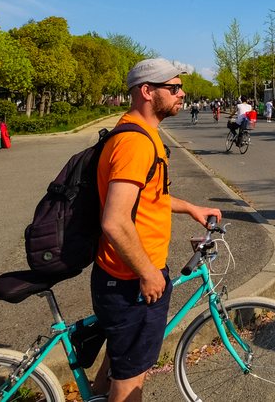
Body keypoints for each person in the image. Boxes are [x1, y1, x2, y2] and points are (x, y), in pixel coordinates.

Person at [91, 58, 222, 402]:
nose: (182, 94)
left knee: (119, 363)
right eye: (174, 88)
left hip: (126, 274)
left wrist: (191, 207)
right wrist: (147, 273)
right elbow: (115, 220)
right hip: (130, 279)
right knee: (130, 380)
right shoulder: (135, 143)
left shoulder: (143, 134)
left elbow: (149, 198)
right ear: (147, 92)